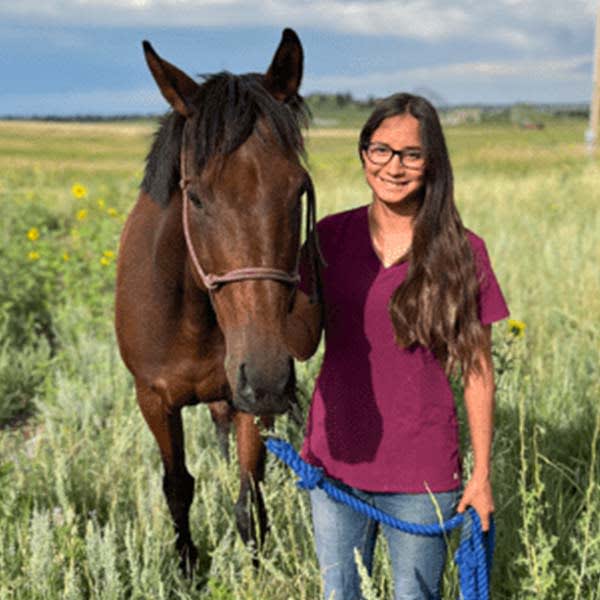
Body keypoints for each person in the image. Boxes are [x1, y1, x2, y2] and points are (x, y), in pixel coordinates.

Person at [285, 93, 509, 600]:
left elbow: (477, 371)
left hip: (422, 477)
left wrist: (482, 477)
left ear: (432, 163)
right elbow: (301, 346)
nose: (394, 166)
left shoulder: (462, 250)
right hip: (334, 462)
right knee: (340, 593)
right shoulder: (326, 237)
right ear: (364, 154)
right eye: (381, 149)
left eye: (411, 153)